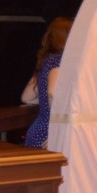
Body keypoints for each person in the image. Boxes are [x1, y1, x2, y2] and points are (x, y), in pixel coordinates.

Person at [22, 16, 73, 149]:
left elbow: (27, 97)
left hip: (38, 131)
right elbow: (52, 93)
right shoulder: (60, 62)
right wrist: (59, 130)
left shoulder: (46, 60)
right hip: (49, 135)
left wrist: (45, 103)